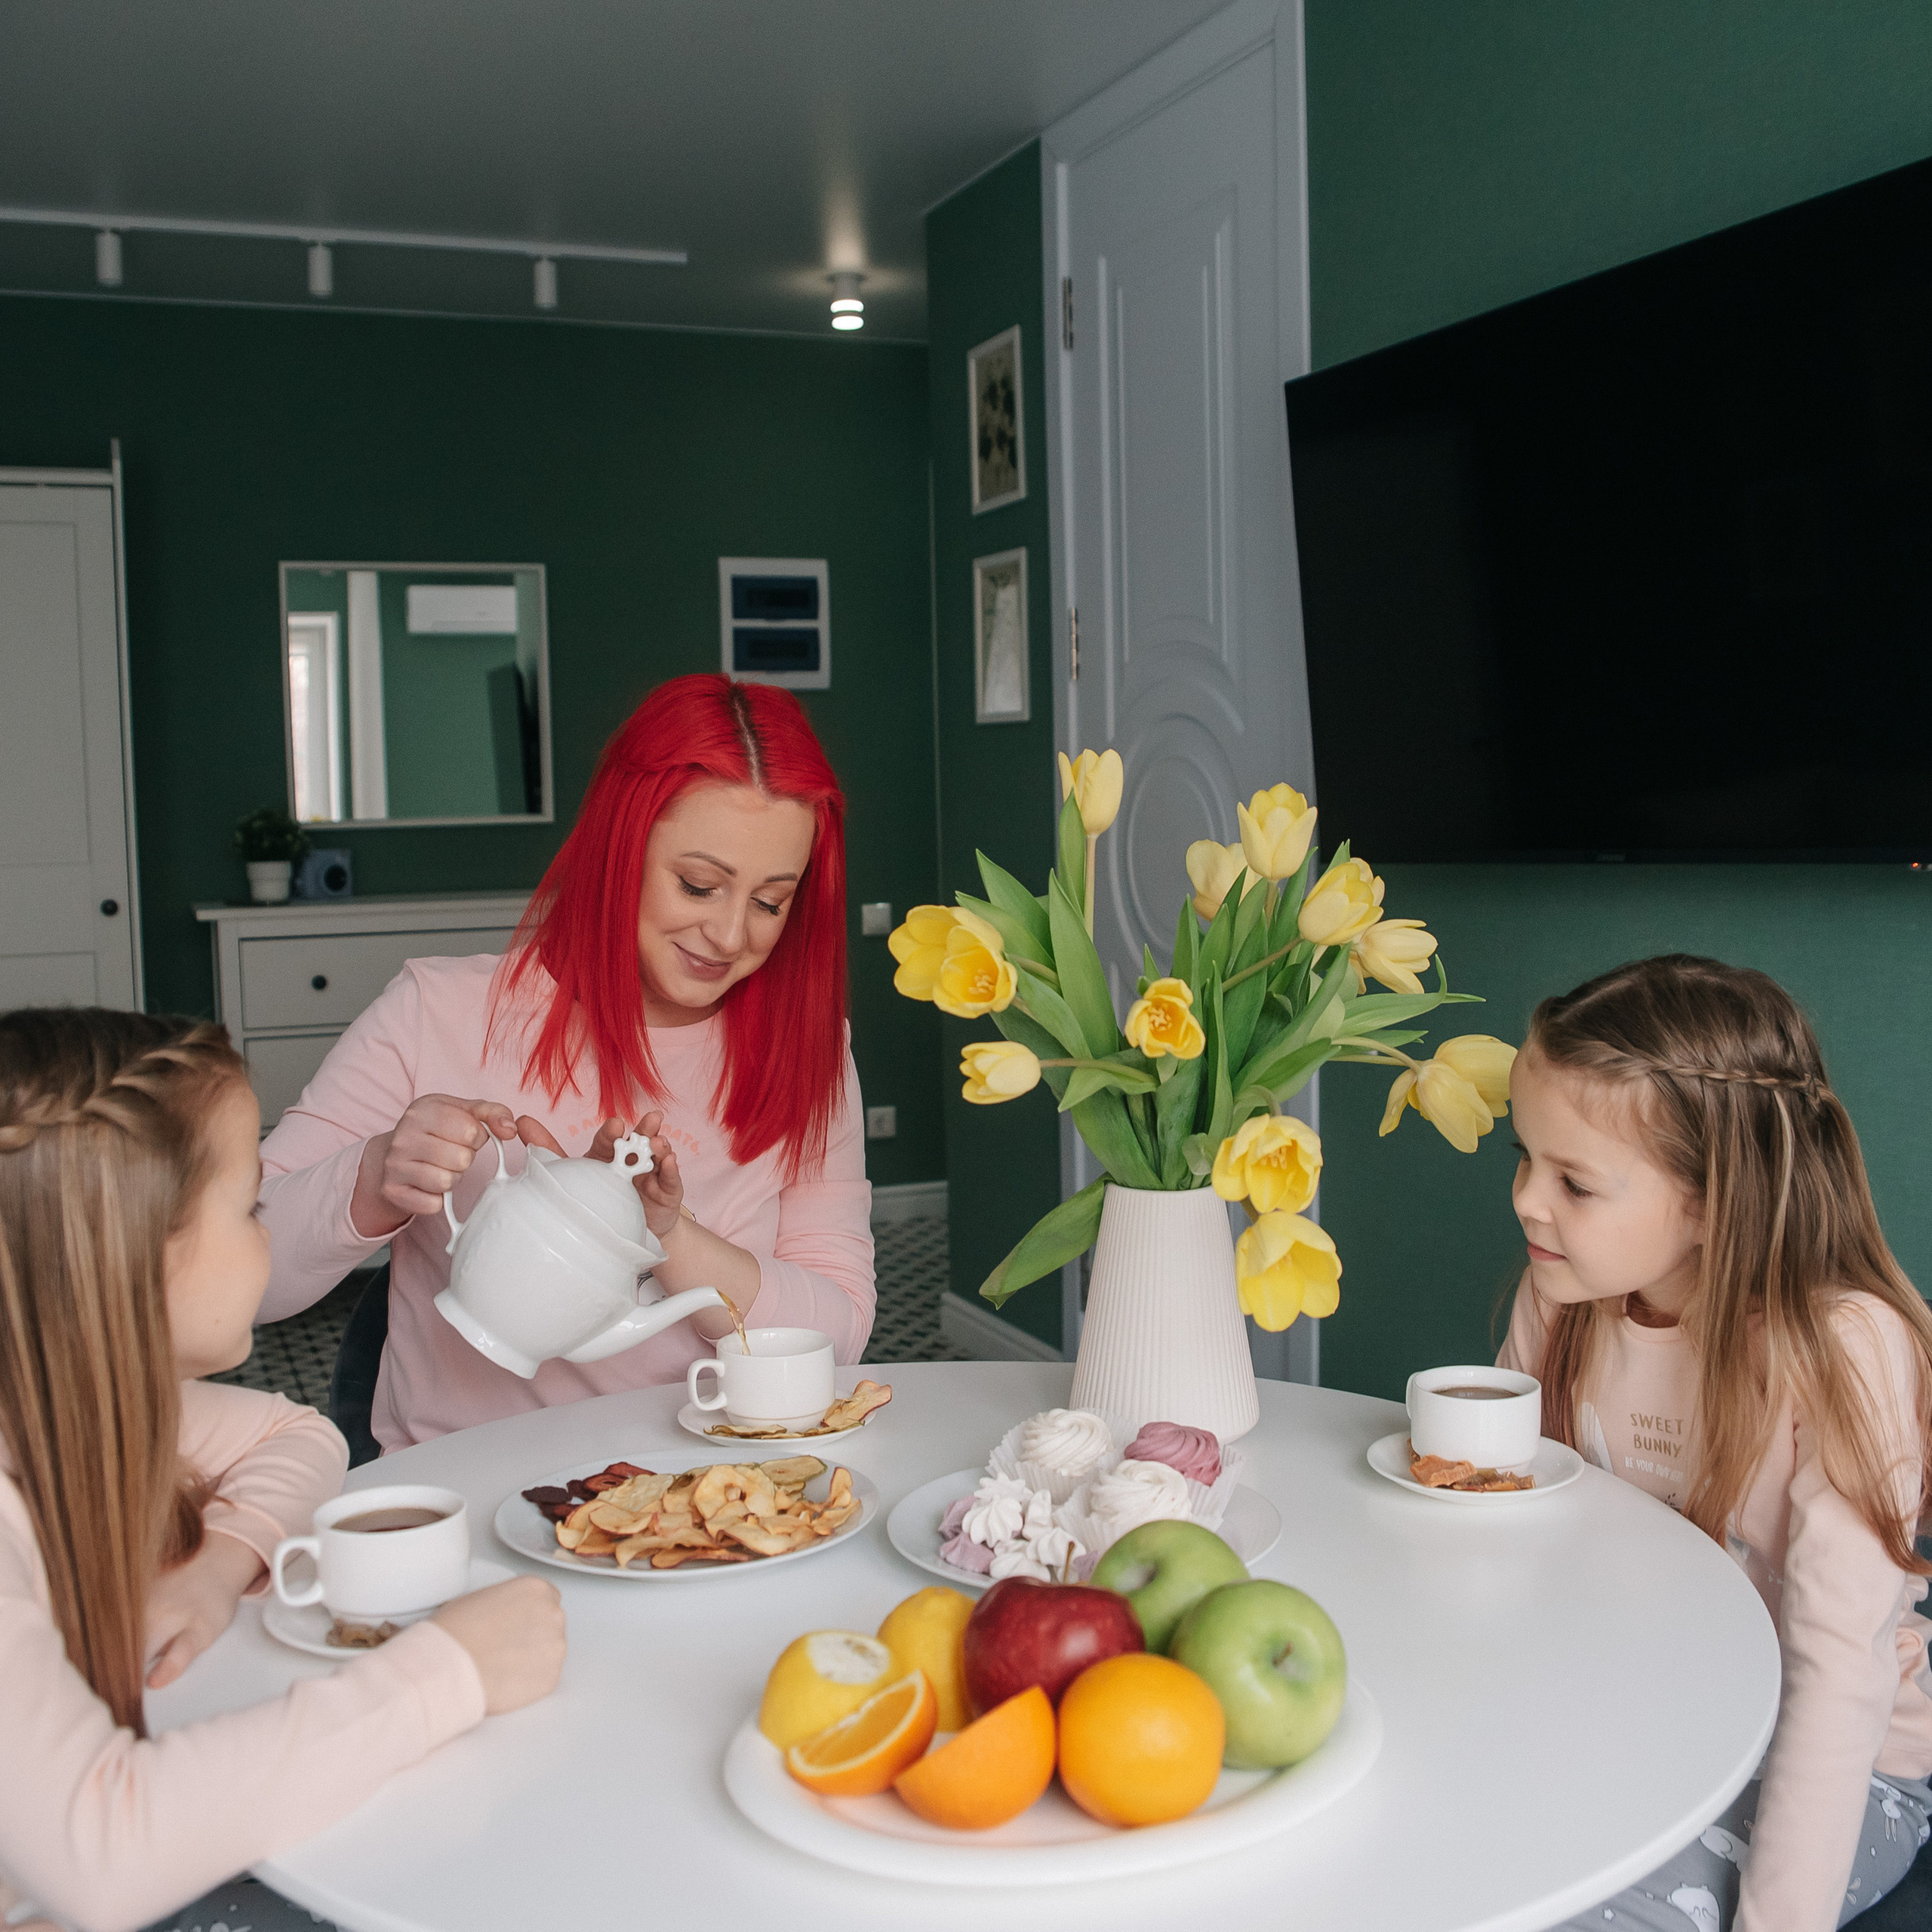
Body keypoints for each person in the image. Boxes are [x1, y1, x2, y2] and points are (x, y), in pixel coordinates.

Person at [0, 1008, 565, 1932]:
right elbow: (103, 1852)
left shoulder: (86, 1408)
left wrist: (221, 1563)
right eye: (251, 1204)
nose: (269, 1234)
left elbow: (297, 1436)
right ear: (138, 1251)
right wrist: (448, 1671)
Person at [256, 673, 875, 1453]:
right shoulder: (433, 1012)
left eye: (768, 902)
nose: (726, 935)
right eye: (698, 884)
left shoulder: (810, 1051)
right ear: (621, 846)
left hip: (704, 1500)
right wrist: (374, 1177)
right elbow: (251, 1273)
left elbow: (840, 1331)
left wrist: (660, 1230)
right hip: (465, 1495)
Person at [1497, 956, 1932, 1932]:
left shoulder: (1844, 1350)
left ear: (1707, 1200)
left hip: (1832, 1768)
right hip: (1626, 1715)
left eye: (1574, 1181)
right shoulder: (1561, 1300)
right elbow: (1511, 1544)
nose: (1529, 1200)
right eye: (1524, 1158)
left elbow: (1836, 1676)